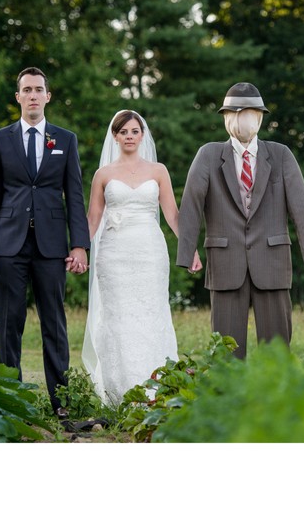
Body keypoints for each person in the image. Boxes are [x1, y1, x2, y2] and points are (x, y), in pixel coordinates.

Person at [0, 67, 90, 419]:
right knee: (8, 323)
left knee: (54, 324)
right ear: (17, 97)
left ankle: (62, 404)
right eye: (26, 90)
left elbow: (74, 195)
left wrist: (79, 245)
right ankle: (11, 403)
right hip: (8, 245)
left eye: (38, 89)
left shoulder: (65, 139)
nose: (32, 95)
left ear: (48, 96)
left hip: (51, 246)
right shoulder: (0, 138)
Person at [177, 82, 304, 358]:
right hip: (225, 262)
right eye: (236, 114)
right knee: (226, 353)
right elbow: (191, 203)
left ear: (260, 118)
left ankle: (277, 400)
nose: (243, 120)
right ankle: (229, 399)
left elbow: (301, 207)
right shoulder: (208, 154)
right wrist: (187, 250)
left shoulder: (280, 154)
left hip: (273, 261)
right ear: (227, 118)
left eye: (250, 113)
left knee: (277, 350)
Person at [82, 110, 202, 405]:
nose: (130, 136)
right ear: (115, 136)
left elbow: (172, 215)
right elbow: (93, 218)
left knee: (151, 314)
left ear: (142, 134)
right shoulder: (104, 174)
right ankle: (119, 391)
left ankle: (156, 389)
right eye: (124, 132)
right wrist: (77, 250)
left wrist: (190, 249)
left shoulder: (158, 171)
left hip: (150, 253)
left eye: (135, 131)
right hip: (113, 255)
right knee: (118, 318)